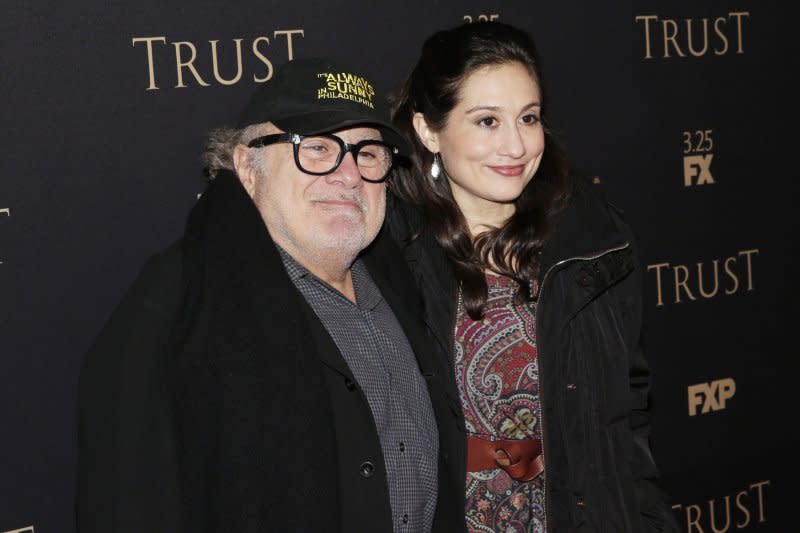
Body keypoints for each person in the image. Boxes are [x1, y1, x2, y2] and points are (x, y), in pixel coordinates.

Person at [76, 57, 465, 533]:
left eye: (367, 153)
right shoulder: (175, 308)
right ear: (247, 166)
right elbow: (126, 505)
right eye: (317, 148)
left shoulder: (401, 277)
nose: (348, 175)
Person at [388, 21, 679, 532]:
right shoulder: (387, 248)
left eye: (529, 117)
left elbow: (626, 418)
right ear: (428, 130)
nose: (517, 146)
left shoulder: (594, 238)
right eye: (486, 122)